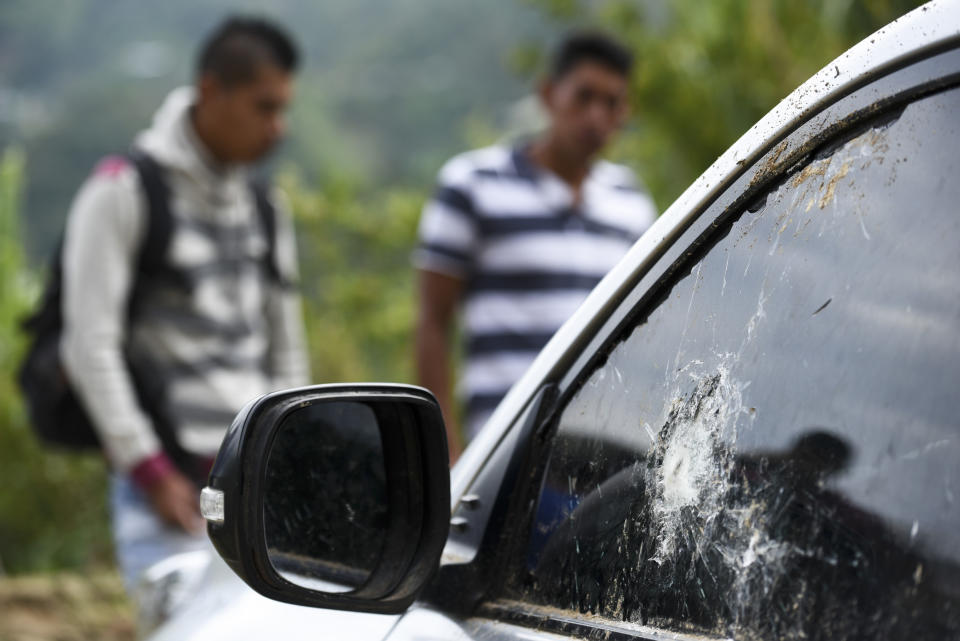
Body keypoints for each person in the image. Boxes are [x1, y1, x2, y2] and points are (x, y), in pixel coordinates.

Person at [59, 16, 310, 597]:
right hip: (168, 494)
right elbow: (88, 343)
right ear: (210, 92)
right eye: (263, 107)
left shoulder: (266, 206)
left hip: (255, 493)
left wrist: (287, 457)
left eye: (283, 110)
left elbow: (286, 346)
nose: (278, 128)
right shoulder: (122, 191)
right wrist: (149, 473)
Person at [415, 31, 657, 461]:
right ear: (549, 94)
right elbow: (433, 323)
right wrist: (446, 456)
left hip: (603, 455)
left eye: (611, 103)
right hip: (504, 453)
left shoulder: (631, 203)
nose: (596, 117)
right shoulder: (472, 185)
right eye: (583, 97)